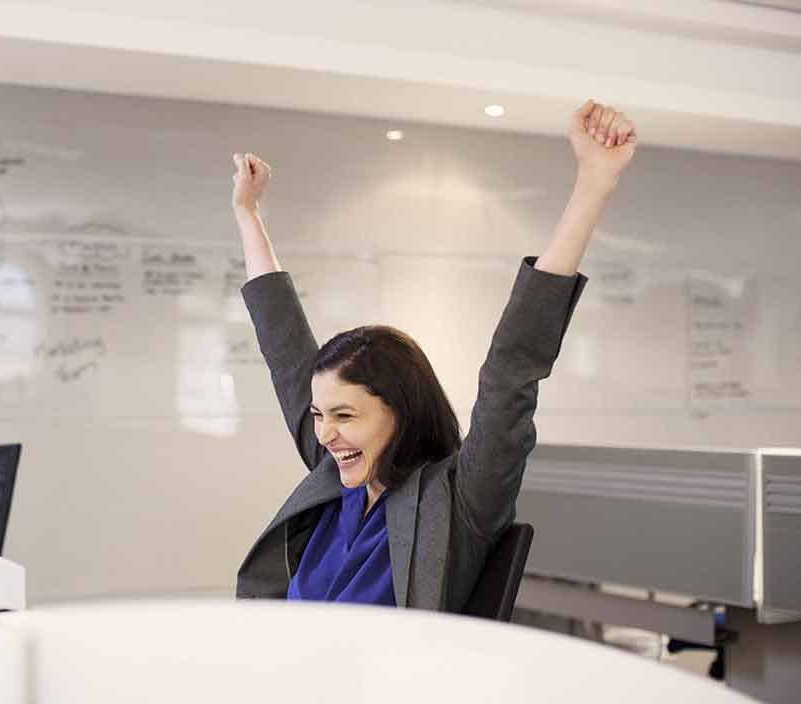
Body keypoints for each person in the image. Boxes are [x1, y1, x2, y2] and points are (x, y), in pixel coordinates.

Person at [231, 100, 637, 611]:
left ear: (399, 411)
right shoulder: (335, 474)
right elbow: (284, 347)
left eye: (344, 415)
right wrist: (248, 214)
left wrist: (595, 182)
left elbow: (511, 367)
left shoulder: (460, 500)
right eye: (318, 414)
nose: (325, 432)